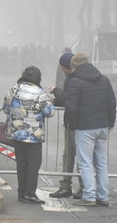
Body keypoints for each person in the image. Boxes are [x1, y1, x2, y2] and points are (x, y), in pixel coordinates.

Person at [64, 53, 116, 207]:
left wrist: (72, 126)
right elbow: (112, 102)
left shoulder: (75, 82)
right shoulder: (104, 80)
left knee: (85, 163)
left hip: (84, 128)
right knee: (101, 163)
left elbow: (71, 107)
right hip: (102, 127)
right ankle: (103, 196)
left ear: (74, 66)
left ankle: (89, 196)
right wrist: (110, 123)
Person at [2, 66, 55, 204]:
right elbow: (49, 112)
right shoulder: (40, 93)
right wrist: (51, 103)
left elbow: (5, 109)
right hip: (33, 135)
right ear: (38, 78)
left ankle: (21, 192)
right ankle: (30, 193)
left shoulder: (13, 89)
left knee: (21, 163)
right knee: (34, 163)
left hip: (17, 133)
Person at [48, 52, 84, 199]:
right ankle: (74, 186)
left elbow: (70, 100)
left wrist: (56, 93)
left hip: (76, 124)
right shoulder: (83, 77)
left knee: (76, 157)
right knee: (72, 156)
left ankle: (75, 187)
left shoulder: (74, 80)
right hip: (77, 123)